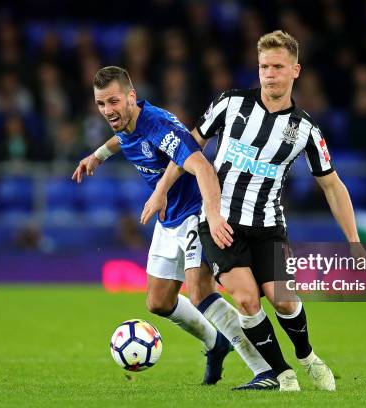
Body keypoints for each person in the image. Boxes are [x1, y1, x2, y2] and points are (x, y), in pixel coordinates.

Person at [147, 31, 363, 391]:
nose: (269, 74)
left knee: (285, 300)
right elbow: (189, 148)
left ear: (296, 71)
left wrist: (354, 240)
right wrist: (161, 189)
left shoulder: (306, 129)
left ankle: (307, 356)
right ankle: (282, 374)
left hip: (269, 226)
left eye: (278, 66)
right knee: (246, 299)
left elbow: (332, 185)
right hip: (220, 223)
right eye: (264, 66)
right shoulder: (230, 105)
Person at [72, 66, 274, 387]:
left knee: (200, 291)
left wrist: (213, 216)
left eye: (113, 102)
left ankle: (265, 368)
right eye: (101, 104)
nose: (107, 111)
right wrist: (97, 156)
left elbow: (203, 168)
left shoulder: (160, 127)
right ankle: (215, 341)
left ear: (131, 98)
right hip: (169, 219)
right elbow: (121, 139)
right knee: (158, 302)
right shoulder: (125, 121)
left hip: (195, 212)